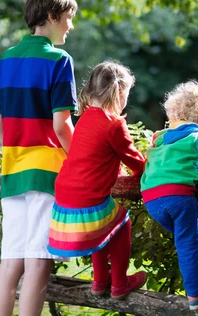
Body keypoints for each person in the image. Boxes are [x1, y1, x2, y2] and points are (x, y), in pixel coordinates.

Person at [0, 0, 78, 316]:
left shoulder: (7, 58)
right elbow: (61, 125)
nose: (70, 26)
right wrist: (79, 158)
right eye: (69, 18)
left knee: (11, 260)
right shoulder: (59, 60)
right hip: (46, 173)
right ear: (52, 17)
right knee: (38, 261)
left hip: (12, 171)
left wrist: (16, 150)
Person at [47, 60, 148, 300]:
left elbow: (96, 157)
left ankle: (100, 281)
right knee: (121, 222)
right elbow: (134, 160)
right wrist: (147, 172)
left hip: (64, 197)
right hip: (87, 199)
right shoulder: (114, 124)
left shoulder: (84, 119)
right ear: (120, 93)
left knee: (102, 226)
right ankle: (120, 283)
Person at [140, 80, 198, 311]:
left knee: (192, 237)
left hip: (151, 200)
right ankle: (195, 297)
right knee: (189, 245)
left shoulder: (159, 138)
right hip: (178, 196)